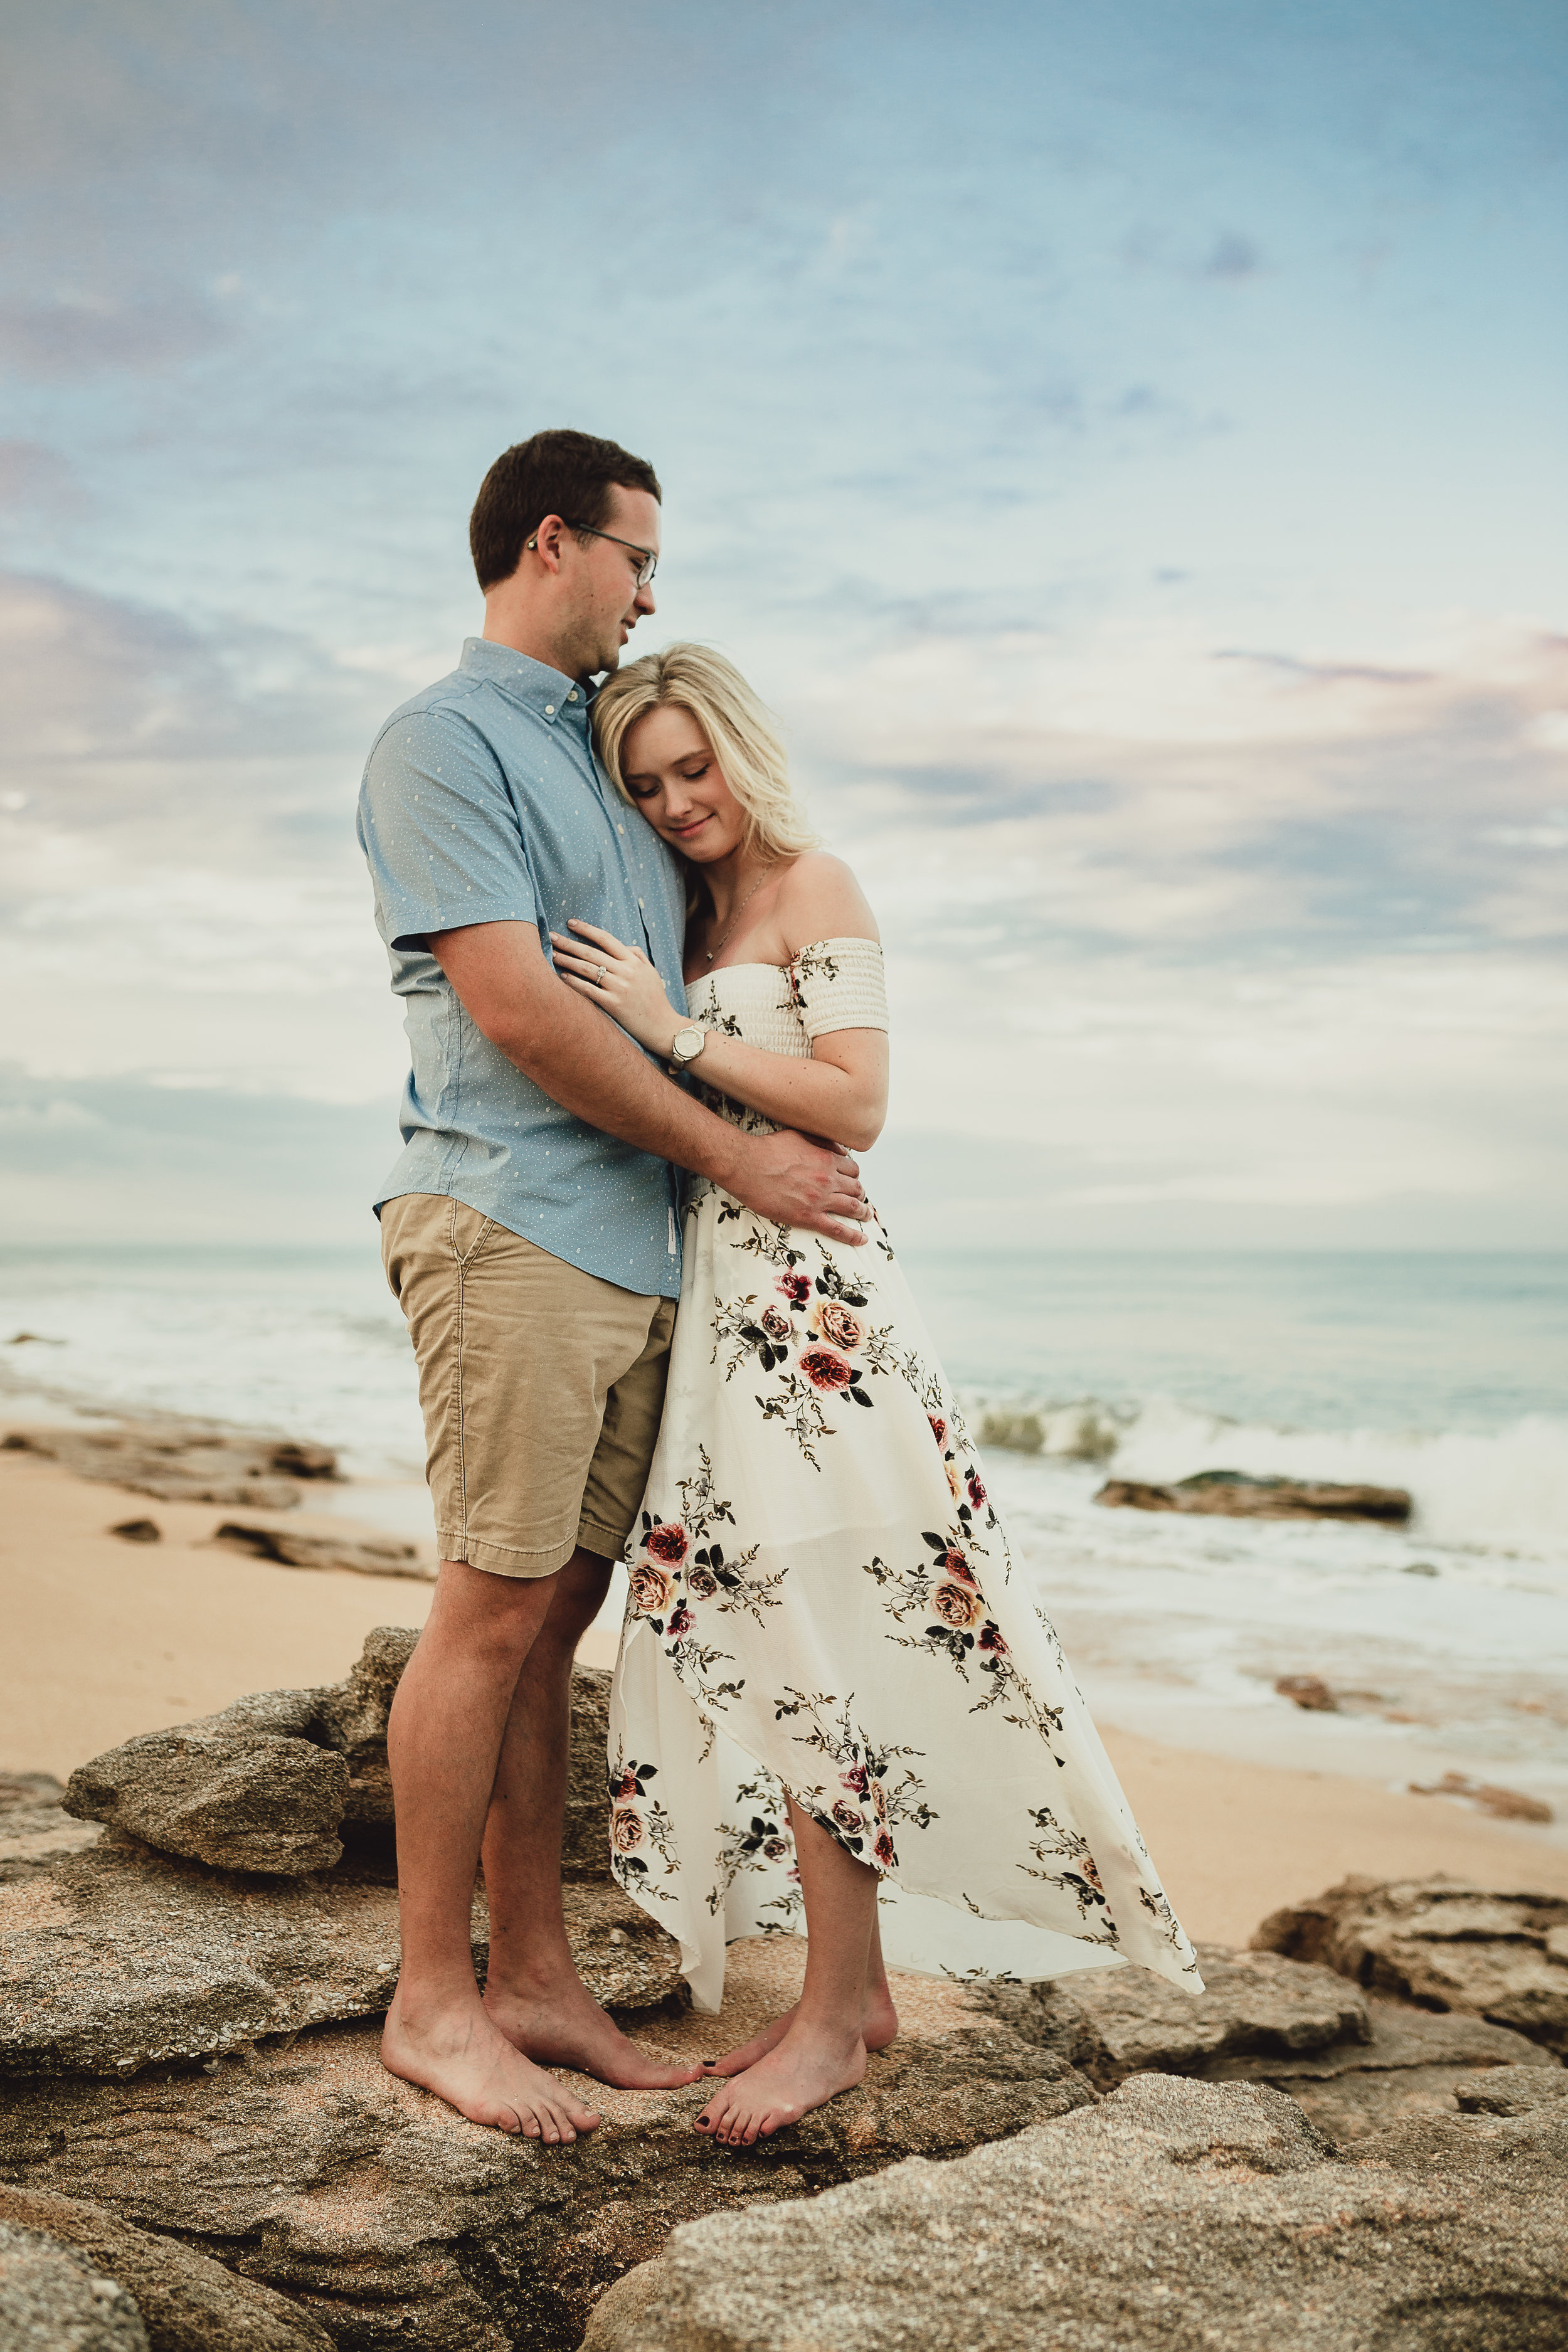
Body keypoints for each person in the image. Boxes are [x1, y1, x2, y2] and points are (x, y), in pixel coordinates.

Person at [548, 643, 1202, 2148]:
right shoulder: (682, 914)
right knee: (761, 1624)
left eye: (691, 768)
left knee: (814, 1625)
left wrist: (669, 1026)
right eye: (644, 784)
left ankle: (838, 2013)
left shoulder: (816, 887)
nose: (675, 802)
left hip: (820, 1315)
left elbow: (858, 1103)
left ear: (738, 749)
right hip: (723, 1307)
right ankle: (853, 1994)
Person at [356, 434, 872, 2143]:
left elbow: (709, 989)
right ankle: (436, 2000)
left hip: (640, 1255)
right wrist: (742, 1159)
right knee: (488, 1604)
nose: (652, 592)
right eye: (640, 559)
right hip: (508, 1225)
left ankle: (537, 1976)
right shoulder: (441, 743)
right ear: (555, 542)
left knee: (555, 1617)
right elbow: (512, 1006)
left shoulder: (590, 749)